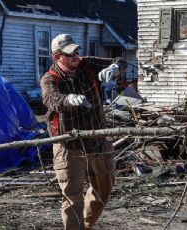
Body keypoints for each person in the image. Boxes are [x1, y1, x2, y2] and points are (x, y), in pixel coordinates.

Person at [40, 34, 122, 230]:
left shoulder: (87, 64)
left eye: (76, 51)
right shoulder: (50, 78)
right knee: (72, 198)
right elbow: (50, 99)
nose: (75, 56)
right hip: (69, 145)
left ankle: (84, 226)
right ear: (57, 56)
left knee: (104, 189)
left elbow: (121, 61)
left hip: (98, 139)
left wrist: (115, 68)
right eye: (69, 54)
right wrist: (67, 100)